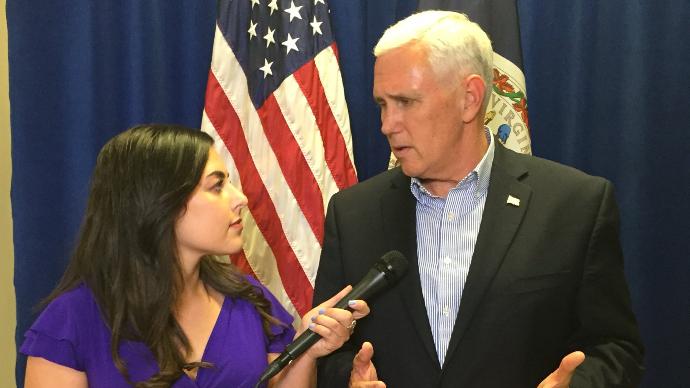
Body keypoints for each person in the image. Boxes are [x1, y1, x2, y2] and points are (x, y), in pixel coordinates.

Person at [313, 10, 644, 388]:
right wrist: (349, 381)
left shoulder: (574, 205)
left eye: (405, 101)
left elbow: (616, 348)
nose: (387, 124)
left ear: (469, 99)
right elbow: (328, 349)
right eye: (382, 105)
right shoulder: (353, 214)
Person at [20, 124, 369, 388]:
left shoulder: (250, 302)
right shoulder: (70, 322)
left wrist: (307, 346)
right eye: (216, 186)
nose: (240, 199)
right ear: (159, 204)